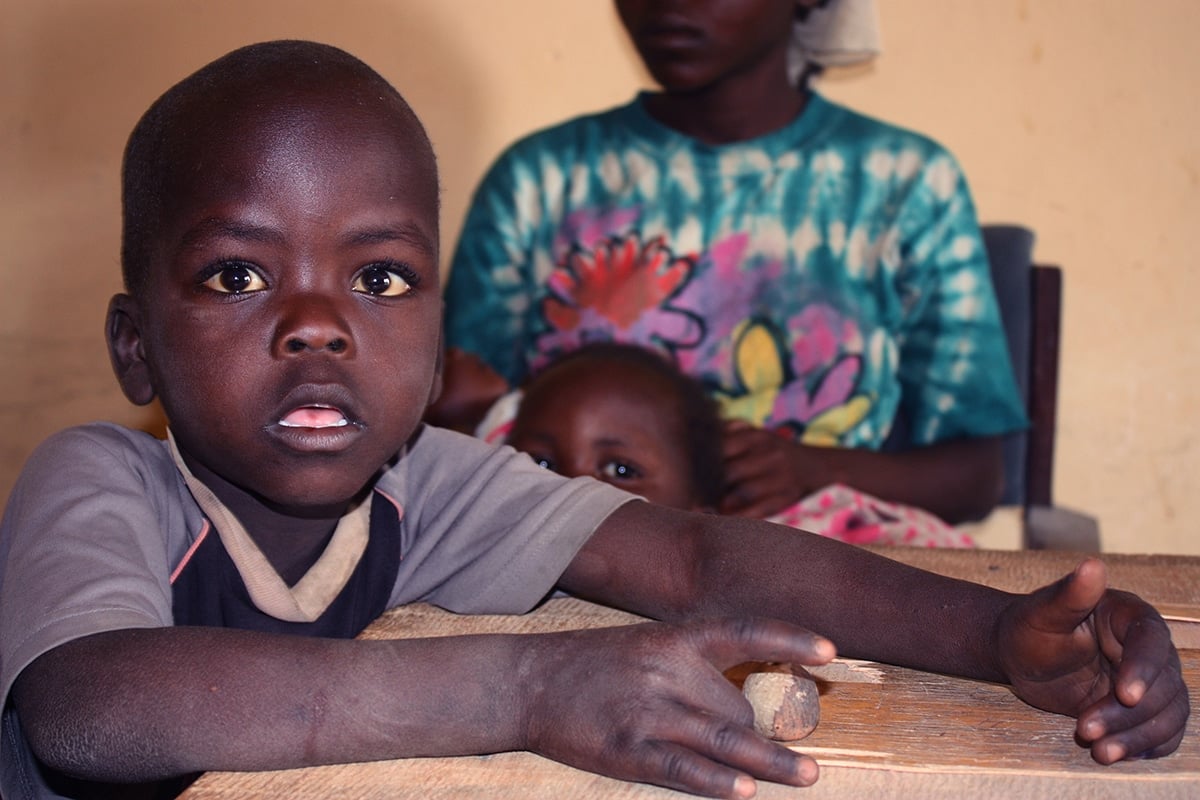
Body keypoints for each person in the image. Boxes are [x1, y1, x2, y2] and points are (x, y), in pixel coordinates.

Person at [0, 40, 1188, 800]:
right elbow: (87, 704)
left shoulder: (429, 479)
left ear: (438, 337)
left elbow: (690, 549)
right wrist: (525, 686)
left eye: (380, 279)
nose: (318, 325)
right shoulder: (103, 480)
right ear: (134, 344)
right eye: (235, 277)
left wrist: (997, 638)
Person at [436, 0, 1029, 525]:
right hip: (577, 567)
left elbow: (976, 477)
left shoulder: (904, 184)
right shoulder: (540, 181)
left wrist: (809, 468)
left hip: (819, 575)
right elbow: (456, 420)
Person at [505, 341, 974, 547]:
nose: (571, 487)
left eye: (621, 470)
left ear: (702, 513)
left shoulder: (763, 574)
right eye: (543, 463)